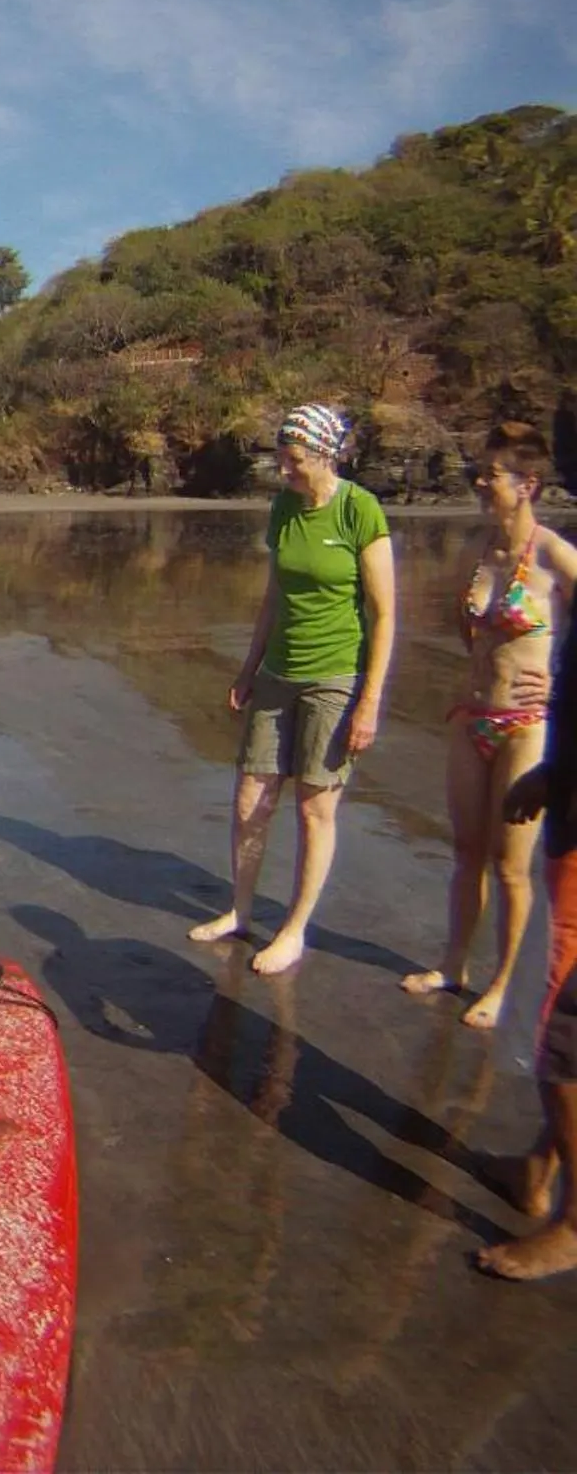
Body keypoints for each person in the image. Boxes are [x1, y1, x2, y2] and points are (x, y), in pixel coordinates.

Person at [189, 402, 395, 975]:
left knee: (313, 809)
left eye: (295, 458)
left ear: (326, 455)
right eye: (281, 457)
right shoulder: (283, 507)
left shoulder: (359, 510)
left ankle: (295, 929)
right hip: (278, 673)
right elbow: (274, 596)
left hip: (335, 678)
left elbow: (384, 614)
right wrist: (248, 668)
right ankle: (240, 910)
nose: (284, 469)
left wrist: (370, 702)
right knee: (250, 800)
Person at [402, 424, 576, 1027]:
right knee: (466, 852)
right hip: (471, 715)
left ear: (528, 485)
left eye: (492, 475)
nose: (480, 483)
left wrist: (559, 685)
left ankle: (503, 984)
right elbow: (467, 632)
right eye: (479, 473)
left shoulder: (553, 555)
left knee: (509, 864)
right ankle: (454, 966)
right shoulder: (475, 552)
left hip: (526, 725)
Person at [483, 413, 577, 1281]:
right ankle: (541, 1165)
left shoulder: (558, 554)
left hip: (551, 765)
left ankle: (573, 1219)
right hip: (557, 781)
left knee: (562, 1020)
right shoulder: (495, 551)